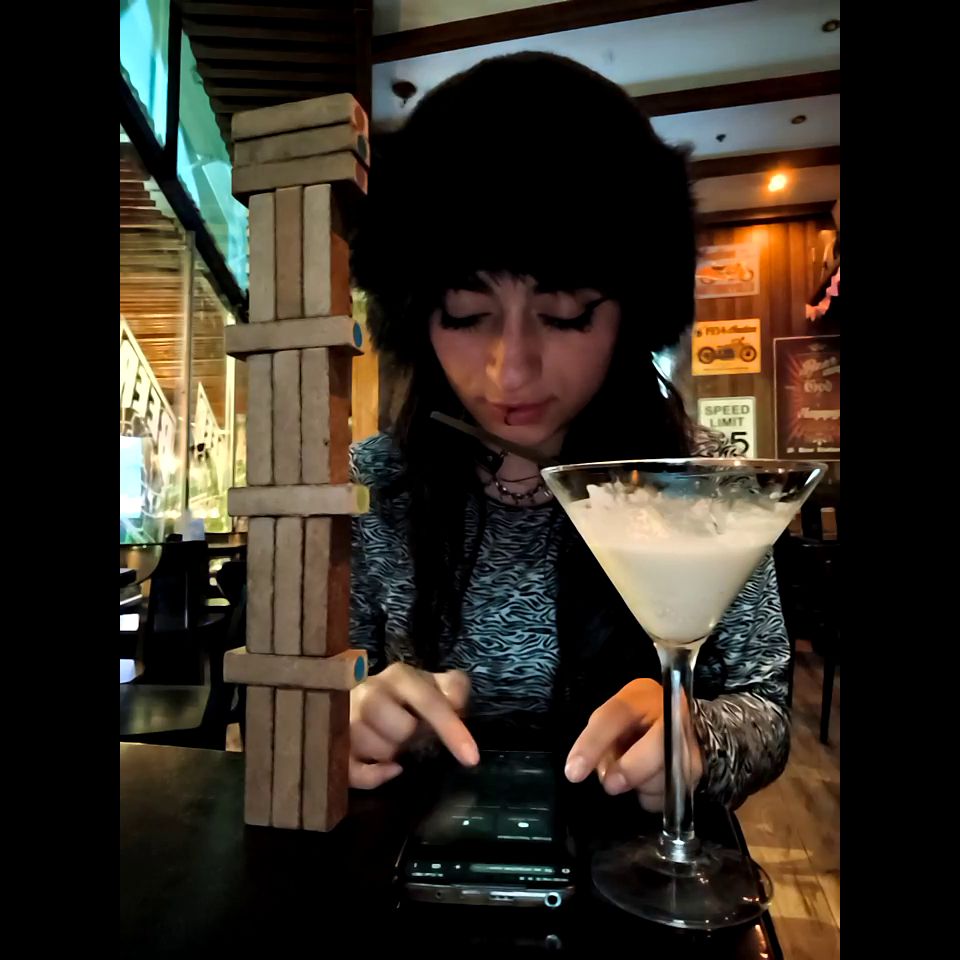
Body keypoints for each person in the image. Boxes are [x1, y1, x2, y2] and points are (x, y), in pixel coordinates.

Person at [346, 52, 790, 812]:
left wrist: (696, 737)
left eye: (564, 314)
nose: (511, 369)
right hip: (423, 855)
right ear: (417, 315)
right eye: (466, 314)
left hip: (637, 865)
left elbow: (766, 707)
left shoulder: (704, 483)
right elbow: (322, 678)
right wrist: (349, 714)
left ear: (632, 312)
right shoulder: (370, 487)